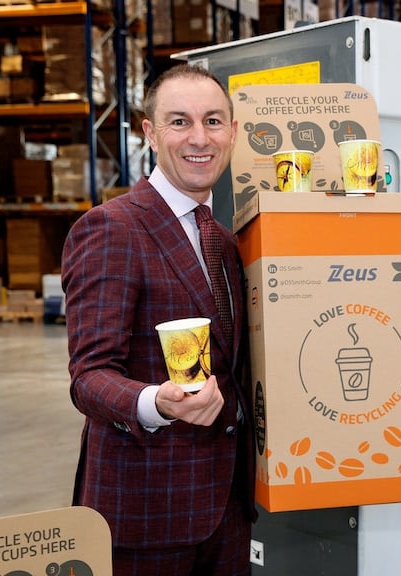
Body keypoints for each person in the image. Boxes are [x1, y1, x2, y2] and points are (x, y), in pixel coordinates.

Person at [62, 63, 254, 575]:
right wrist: (156, 402)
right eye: (179, 121)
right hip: (148, 515)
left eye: (213, 121)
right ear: (149, 132)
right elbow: (89, 377)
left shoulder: (224, 239)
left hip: (229, 513)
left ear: (233, 133)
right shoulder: (111, 229)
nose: (200, 138)